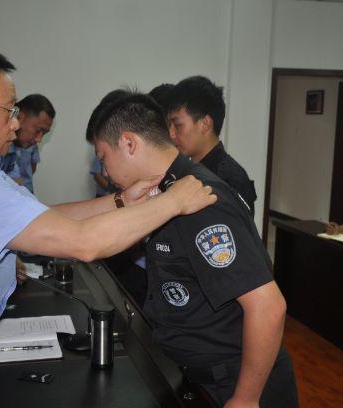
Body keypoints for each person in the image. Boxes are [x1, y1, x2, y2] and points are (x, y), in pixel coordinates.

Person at [0, 47, 216, 408]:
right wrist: (174, 201)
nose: (15, 123)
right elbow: (84, 243)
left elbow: (41, 214)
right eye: (8, 110)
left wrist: (121, 200)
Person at [87, 91, 298, 408]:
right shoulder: (164, 193)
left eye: (103, 157)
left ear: (129, 143)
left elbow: (268, 306)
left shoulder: (199, 199)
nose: (104, 172)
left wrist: (245, 398)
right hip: (196, 375)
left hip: (236, 382)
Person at [167, 75, 257, 216]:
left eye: (177, 125)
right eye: (170, 125)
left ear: (205, 124)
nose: (171, 134)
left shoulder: (231, 178)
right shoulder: (183, 169)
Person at [0, 94, 54, 193]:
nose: (39, 139)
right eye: (38, 130)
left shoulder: (30, 145)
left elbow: (32, 169)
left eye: (44, 133)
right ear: (20, 117)